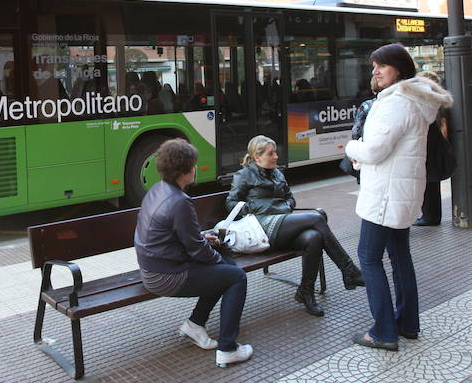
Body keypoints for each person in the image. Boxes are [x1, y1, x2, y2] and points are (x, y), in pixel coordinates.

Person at [344, 43, 452, 351]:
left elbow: (376, 149)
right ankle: (406, 323)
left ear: (400, 69)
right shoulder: (412, 100)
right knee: (399, 256)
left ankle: (383, 331)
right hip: (400, 192)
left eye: (382, 65)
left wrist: (351, 149)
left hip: (385, 195)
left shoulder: (395, 102)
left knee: (369, 257)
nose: (375, 71)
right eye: (373, 65)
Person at [134, 139, 253, 368]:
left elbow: (180, 238)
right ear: (184, 171)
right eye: (193, 165)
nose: (196, 168)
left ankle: (195, 324)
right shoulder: (180, 201)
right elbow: (197, 250)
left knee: (225, 266)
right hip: (165, 276)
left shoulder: (158, 190)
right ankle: (228, 348)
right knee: (236, 277)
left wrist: (205, 242)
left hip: (155, 266)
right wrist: (216, 259)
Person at [227, 135, 364, 318]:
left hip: (282, 226)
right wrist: (262, 208)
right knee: (316, 219)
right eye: (271, 153)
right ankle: (349, 270)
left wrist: (282, 207)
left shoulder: (277, 173)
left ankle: (305, 292)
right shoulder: (244, 175)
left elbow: (290, 199)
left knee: (313, 238)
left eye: (276, 152)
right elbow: (231, 203)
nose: (276, 156)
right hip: (260, 229)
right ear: (257, 157)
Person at [414, 71, 452, 226]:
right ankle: (430, 215)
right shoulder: (435, 101)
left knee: (429, 183)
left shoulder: (433, 103)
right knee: (430, 183)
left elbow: (443, 126)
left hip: (432, 147)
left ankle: (430, 216)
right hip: (434, 146)